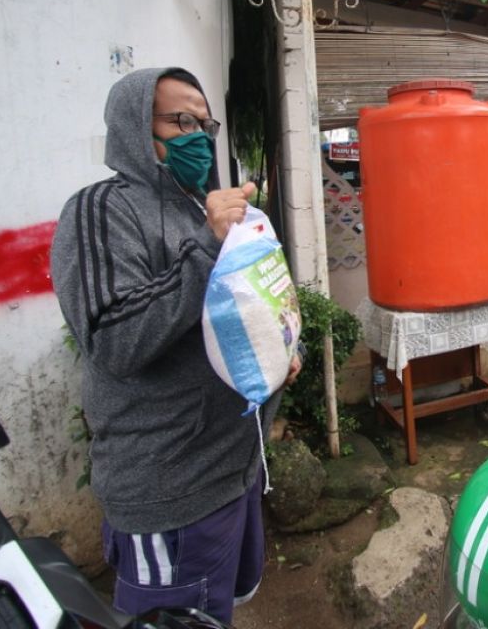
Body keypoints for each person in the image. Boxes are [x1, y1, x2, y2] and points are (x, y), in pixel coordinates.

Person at [50, 67, 300, 624]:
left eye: (205, 124)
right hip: (171, 486)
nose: (197, 135)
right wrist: (209, 246)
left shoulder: (199, 210)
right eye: (180, 119)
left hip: (232, 473)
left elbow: (241, 314)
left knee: (217, 612)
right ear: (136, 126)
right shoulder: (101, 210)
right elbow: (113, 337)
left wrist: (279, 354)